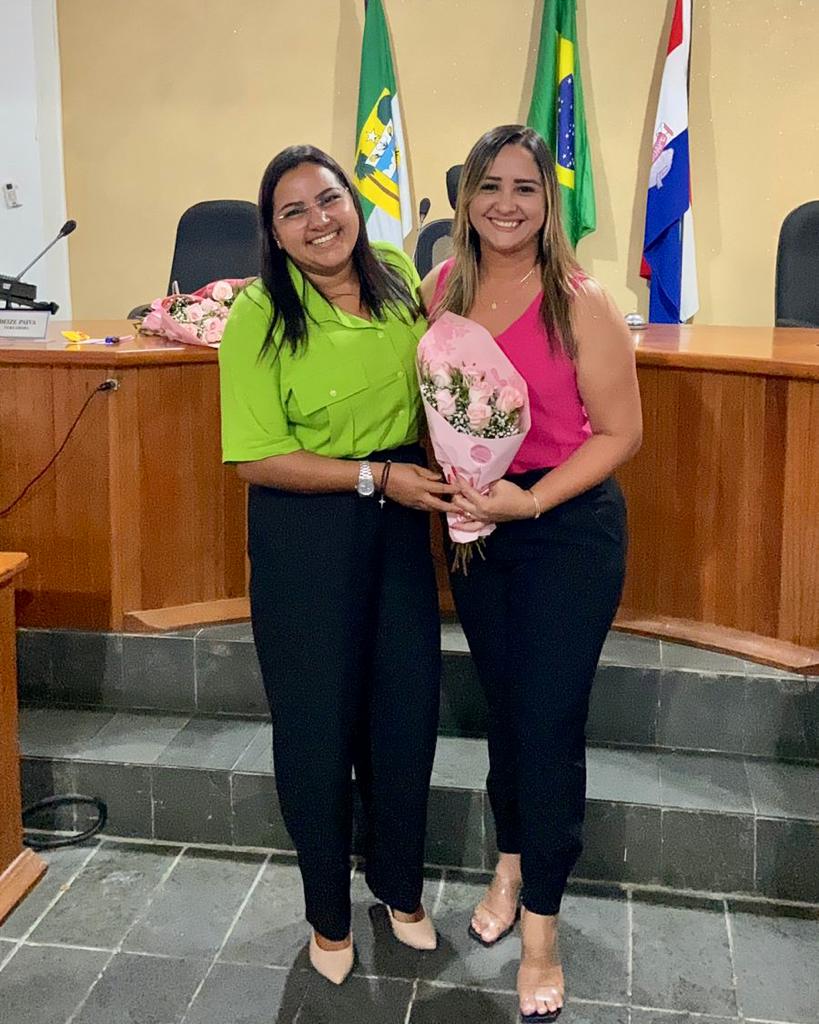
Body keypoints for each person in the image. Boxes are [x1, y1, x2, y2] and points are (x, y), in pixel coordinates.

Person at [420, 125, 642, 1023]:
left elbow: (621, 433)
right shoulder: (440, 287)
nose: (505, 204)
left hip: (564, 533)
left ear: (549, 203)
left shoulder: (579, 303)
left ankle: (542, 930)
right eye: (489, 186)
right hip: (479, 533)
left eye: (525, 188)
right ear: (465, 197)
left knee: (547, 725)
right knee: (507, 712)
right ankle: (509, 863)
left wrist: (533, 500)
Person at [219, 145, 454, 986]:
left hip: (398, 523)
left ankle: (400, 889)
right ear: (274, 233)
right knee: (316, 727)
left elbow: (438, 379)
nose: (318, 221)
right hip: (305, 529)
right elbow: (254, 457)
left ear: (354, 202)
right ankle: (327, 911)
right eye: (294, 212)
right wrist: (375, 478)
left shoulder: (396, 271)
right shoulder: (259, 313)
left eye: (329, 199)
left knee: (404, 714)